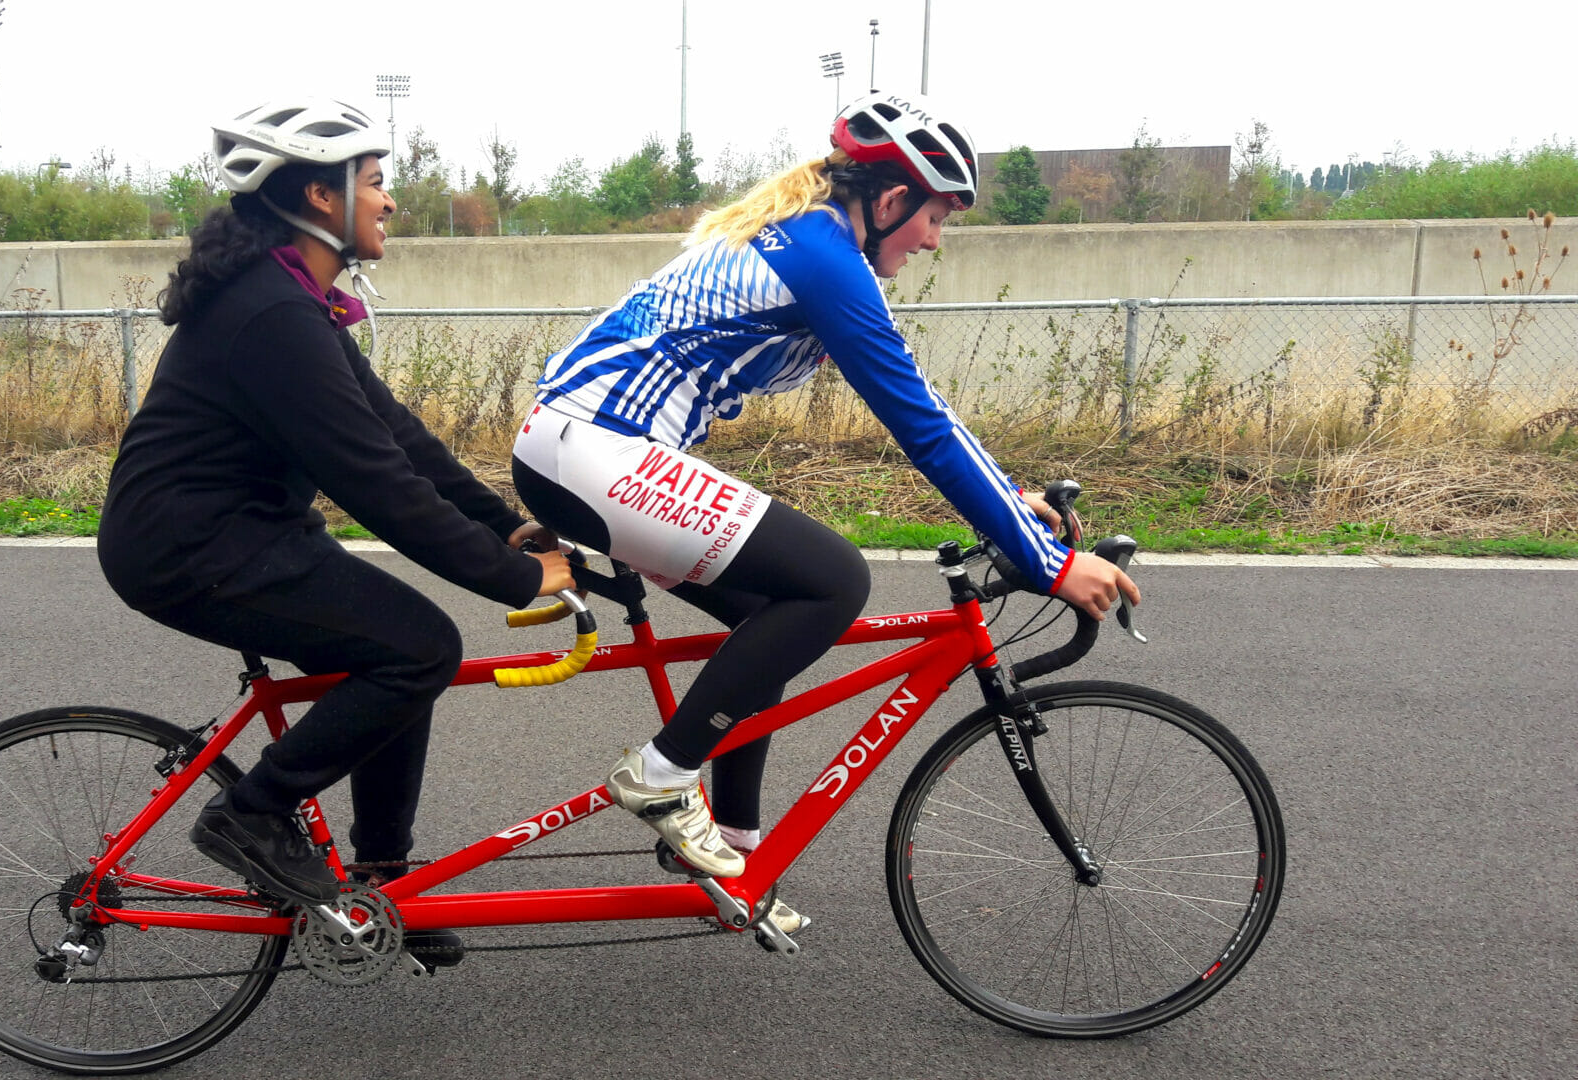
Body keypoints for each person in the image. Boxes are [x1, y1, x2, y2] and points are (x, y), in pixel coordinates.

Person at [510, 91, 1139, 929]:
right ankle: (662, 778)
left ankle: (732, 843)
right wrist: (1047, 561)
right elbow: (920, 422)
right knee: (833, 582)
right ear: (890, 200)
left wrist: (1012, 506)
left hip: (579, 452)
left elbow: (927, 411)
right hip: (595, 452)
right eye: (937, 218)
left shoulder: (807, 239)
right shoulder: (821, 257)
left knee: (772, 620)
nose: (933, 241)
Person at [97, 99, 574, 912]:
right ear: (322, 197)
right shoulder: (271, 314)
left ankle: (384, 887)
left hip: (245, 532)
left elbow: (400, 442)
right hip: (188, 546)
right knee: (418, 648)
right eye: (376, 183)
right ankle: (249, 815)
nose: (391, 202)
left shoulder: (289, 302)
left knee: (396, 652)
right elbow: (374, 483)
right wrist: (514, 578)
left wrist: (512, 528)